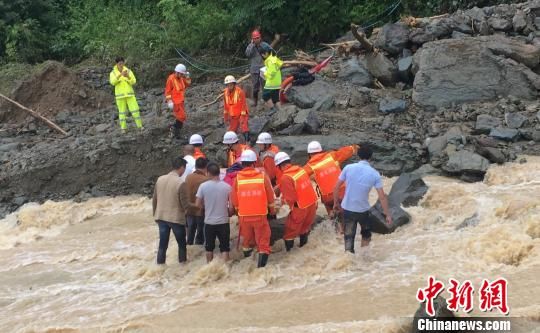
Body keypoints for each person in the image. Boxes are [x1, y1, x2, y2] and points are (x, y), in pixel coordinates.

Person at [333, 145, 392, 253]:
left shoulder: (348, 168)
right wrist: (387, 214)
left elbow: (336, 187)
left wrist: (335, 203)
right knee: (366, 234)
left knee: (349, 237)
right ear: (370, 157)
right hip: (363, 210)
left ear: (358, 155)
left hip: (348, 208)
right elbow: (382, 196)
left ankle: (349, 260)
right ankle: (364, 258)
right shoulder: (375, 174)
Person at [230, 150, 276, 268]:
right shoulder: (262, 176)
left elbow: (234, 200)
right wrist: (272, 211)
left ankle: (248, 264)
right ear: (254, 163)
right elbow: (270, 197)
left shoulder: (237, 178)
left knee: (247, 242)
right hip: (260, 215)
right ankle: (260, 269)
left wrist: (238, 212)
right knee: (263, 242)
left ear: (242, 163)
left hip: (244, 217)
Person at [304, 141, 358, 228]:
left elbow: (299, 178)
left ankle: (335, 230)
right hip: (341, 192)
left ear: (309, 154)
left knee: (333, 218)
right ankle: (344, 231)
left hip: (327, 197)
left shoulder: (309, 166)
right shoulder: (332, 156)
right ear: (321, 151)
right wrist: (354, 147)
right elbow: (349, 150)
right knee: (345, 217)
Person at [274, 152, 318, 251]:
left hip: (300, 208)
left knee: (290, 232)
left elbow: (290, 199)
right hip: (312, 204)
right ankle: (303, 248)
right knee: (304, 228)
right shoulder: (300, 170)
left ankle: (289, 254)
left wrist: (279, 203)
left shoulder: (286, 177)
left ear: (280, 166)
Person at [152, 157, 187, 264]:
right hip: (175, 218)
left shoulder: (160, 179)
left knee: (162, 245)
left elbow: (154, 199)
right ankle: (182, 265)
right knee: (181, 245)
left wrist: (155, 214)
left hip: (161, 216)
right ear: (181, 167)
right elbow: (184, 204)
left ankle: (160, 266)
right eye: (184, 168)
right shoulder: (180, 183)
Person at [195, 162, 232, 263]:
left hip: (209, 222)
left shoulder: (203, 186)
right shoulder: (227, 187)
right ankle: (225, 269)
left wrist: (206, 207)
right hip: (223, 222)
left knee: (209, 248)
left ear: (208, 173)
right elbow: (231, 208)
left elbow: (197, 204)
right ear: (219, 173)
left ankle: (209, 267)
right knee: (225, 248)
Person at [245, 30, 280, 107]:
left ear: (260, 37)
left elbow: (272, 51)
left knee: (265, 86)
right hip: (254, 69)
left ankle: (267, 101)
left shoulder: (264, 45)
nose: (257, 39)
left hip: (263, 68)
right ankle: (255, 102)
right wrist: (252, 45)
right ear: (252, 39)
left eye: (258, 38)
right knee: (255, 87)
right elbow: (247, 54)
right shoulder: (250, 46)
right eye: (255, 38)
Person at [109, 57, 143, 133]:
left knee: (135, 110)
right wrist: (120, 75)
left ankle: (140, 126)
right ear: (116, 64)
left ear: (124, 63)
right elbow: (112, 82)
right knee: (122, 112)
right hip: (120, 96)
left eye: (122, 63)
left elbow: (134, 81)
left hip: (130, 95)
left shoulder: (128, 71)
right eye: (119, 64)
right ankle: (123, 128)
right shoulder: (113, 73)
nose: (121, 65)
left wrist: (128, 76)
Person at [184, 157, 209, 245]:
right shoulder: (206, 180)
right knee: (200, 237)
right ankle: (199, 254)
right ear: (206, 167)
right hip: (200, 211)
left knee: (190, 234)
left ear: (195, 166)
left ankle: (190, 249)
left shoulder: (188, 177)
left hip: (189, 210)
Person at [165, 63, 191, 139]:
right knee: (181, 117)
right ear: (178, 72)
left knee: (181, 117)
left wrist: (187, 77)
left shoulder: (181, 78)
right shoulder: (171, 79)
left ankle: (176, 133)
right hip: (175, 102)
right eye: (181, 74)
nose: (182, 75)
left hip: (181, 101)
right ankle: (173, 131)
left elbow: (188, 84)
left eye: (183, 74)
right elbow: (167, 91)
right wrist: (169, 101)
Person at [223, 75, 250, 142]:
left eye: (231, 84)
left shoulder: (239, 92)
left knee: (244, 127)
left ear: (234, 84)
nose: (230, 86)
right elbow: (226, 106)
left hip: (241, 114)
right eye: (228, 85)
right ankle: (232, 144)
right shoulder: (225, 93)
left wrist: (243, 116)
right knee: (231, 131)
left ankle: (247, 141)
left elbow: (243, 104)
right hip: (233, 116)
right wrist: (225, 118)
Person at [260, 44, 283, 114]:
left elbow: (271, 71)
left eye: (262, 55)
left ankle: (273, 109)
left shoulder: (269, 60)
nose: (262, 56)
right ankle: (281, 111)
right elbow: (281, 64)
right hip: (278, 81)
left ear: (265, 54)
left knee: (265, 95)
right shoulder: (274, 58)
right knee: (275, 97)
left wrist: (265, 74)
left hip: (272, 81)